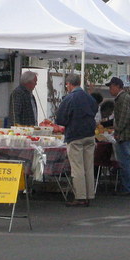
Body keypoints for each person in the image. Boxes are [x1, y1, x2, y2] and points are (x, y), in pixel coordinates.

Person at [52, 72, 98, 207]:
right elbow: (95, 109)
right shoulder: (89, 98)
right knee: (88, 166)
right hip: (89, 134)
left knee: (77, 167)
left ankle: (80, 197)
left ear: (69, 84)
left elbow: (60, 118)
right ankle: (90, 194)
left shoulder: (69, 98)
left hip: (75, 135)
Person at [106, 76, 130, 195]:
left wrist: (117, 131)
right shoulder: (125, 97)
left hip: (124, 135)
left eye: (111, 87)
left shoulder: (123, 99)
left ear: (118, 86)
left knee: (124, 162)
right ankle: (127, 187)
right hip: (126, 133)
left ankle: (127, 188)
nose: (110, 90)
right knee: (125, 161)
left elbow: (123, 117)